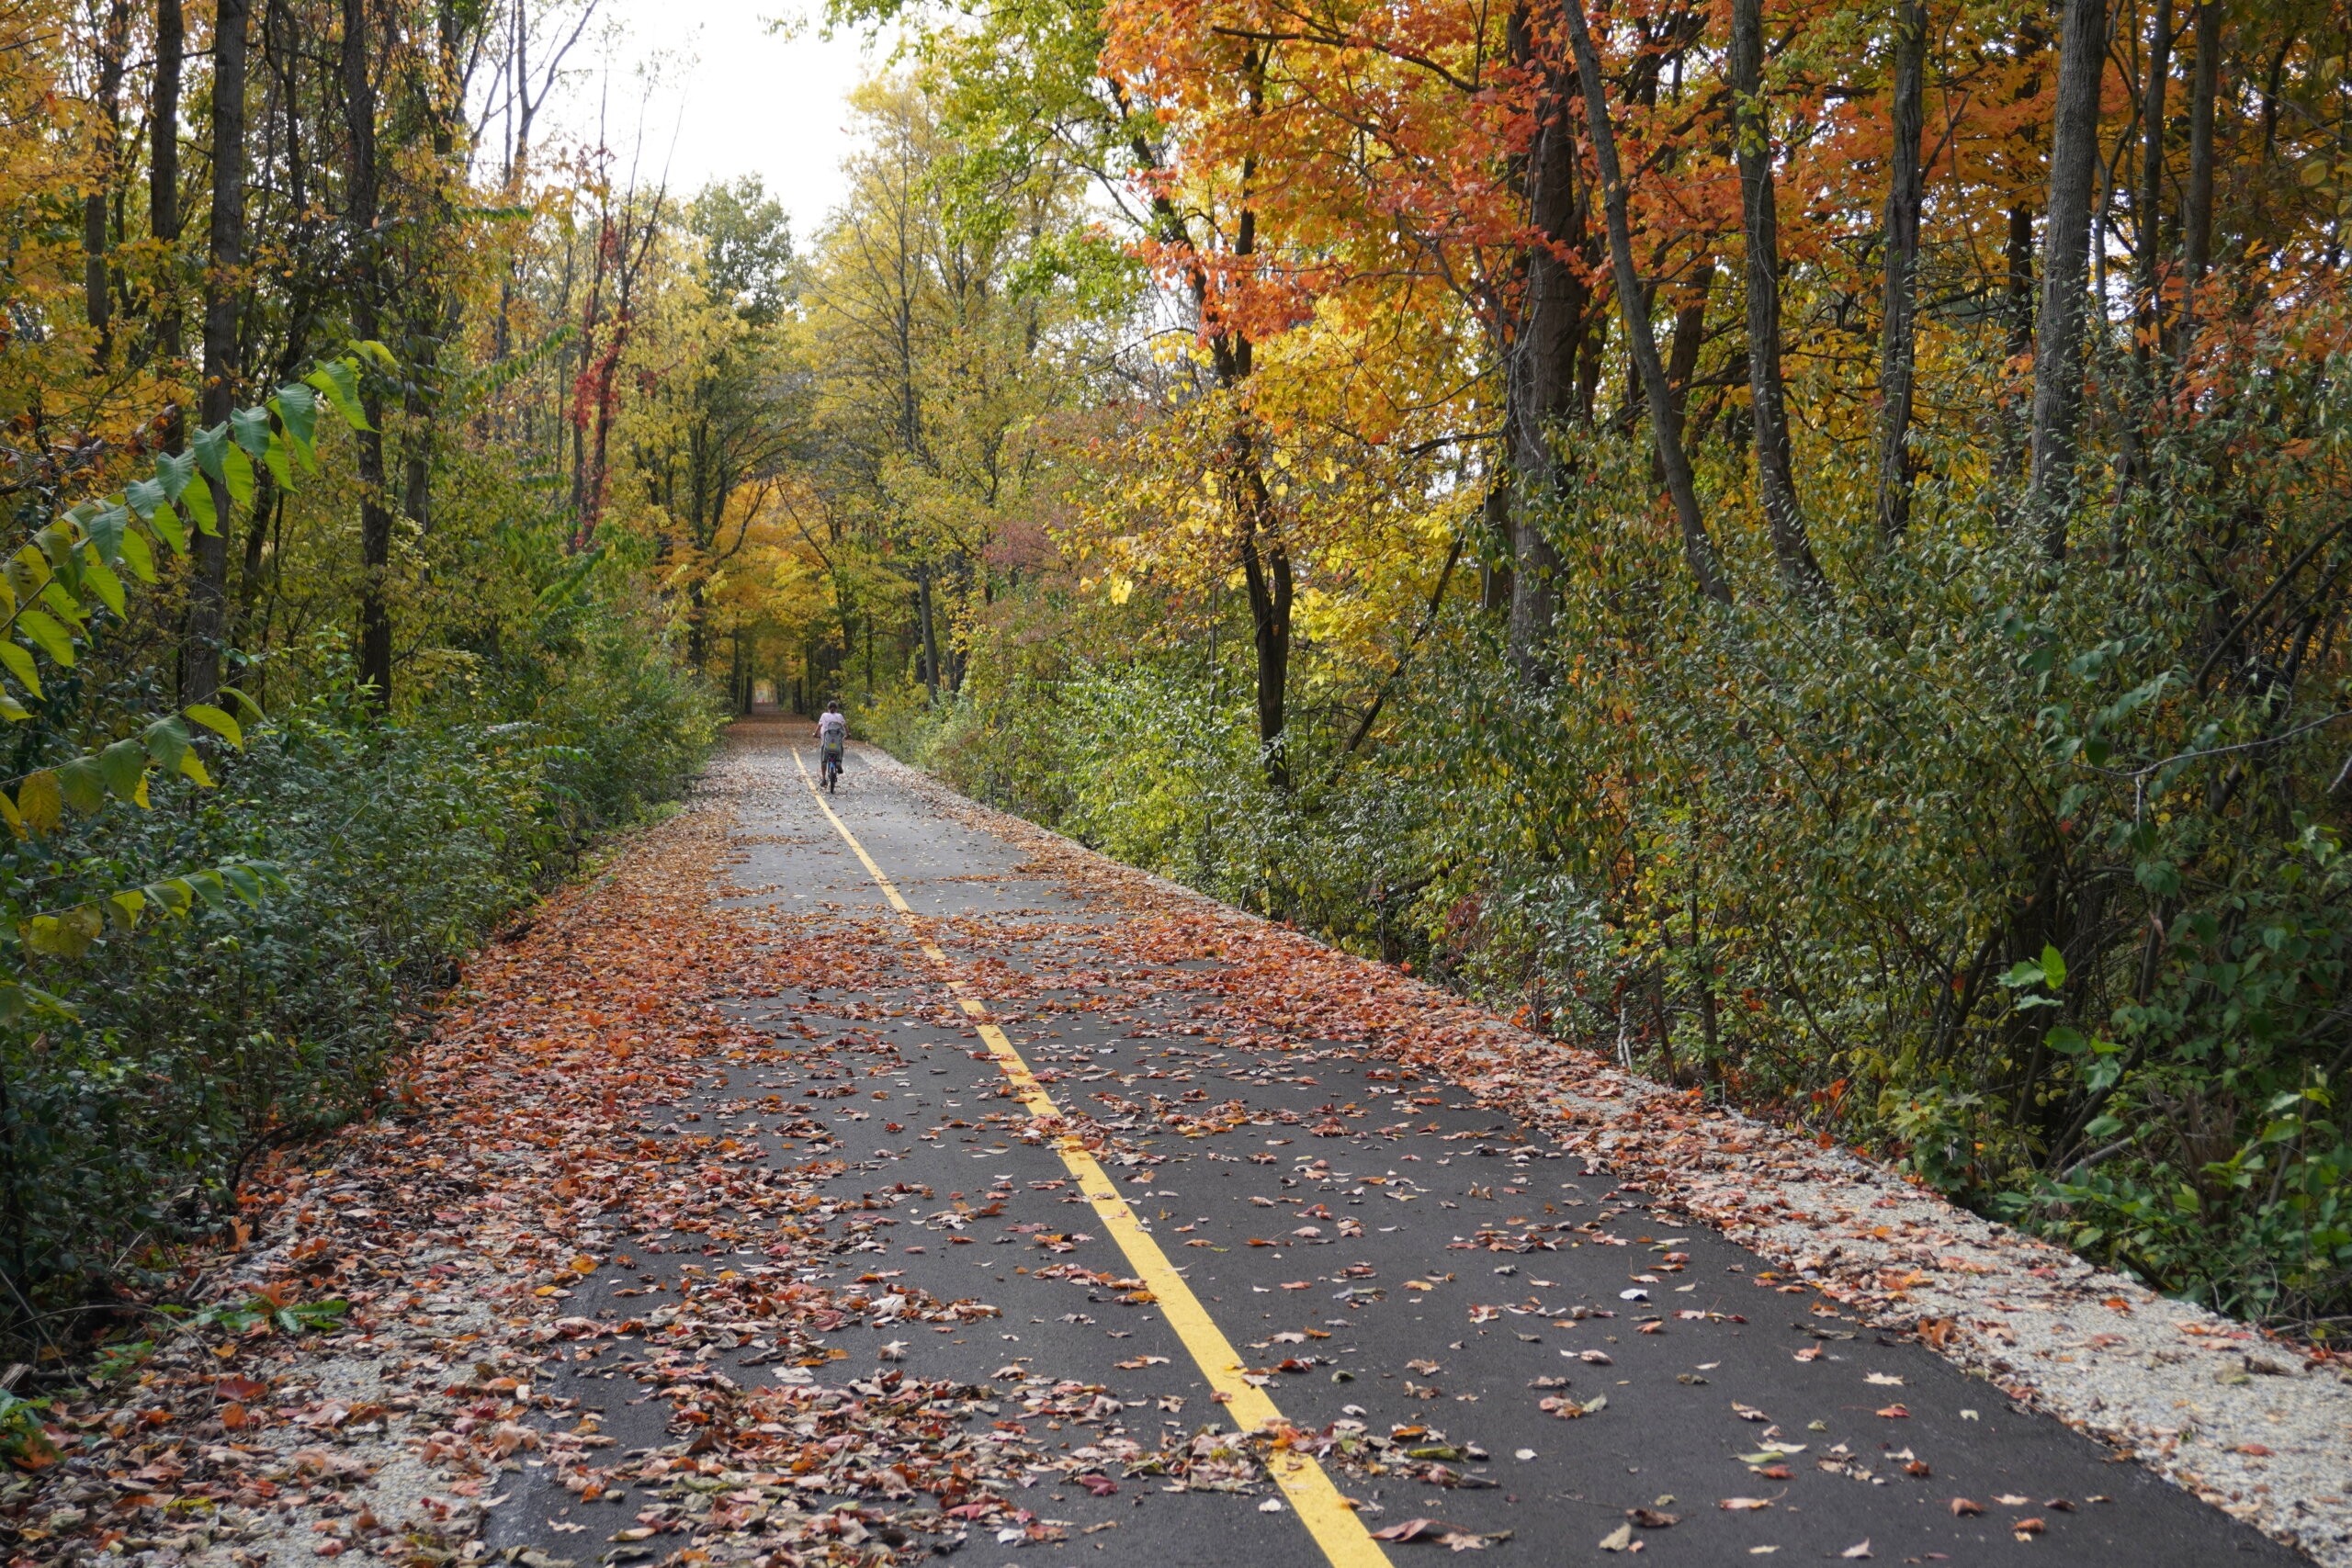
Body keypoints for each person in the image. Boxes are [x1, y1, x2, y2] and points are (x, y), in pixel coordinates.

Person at [816, 700, 847, 789]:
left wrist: (815, 734)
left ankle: (823, 779)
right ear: (836, 708)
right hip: (837, 741)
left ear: (828, 708)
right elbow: (845, 726)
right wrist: (848, 734)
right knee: (840, 748)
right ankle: (838, 762)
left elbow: (819, 726)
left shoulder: (824, 715)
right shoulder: (839, 716)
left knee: (824, 759)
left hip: (826, 741)